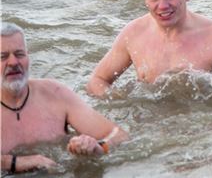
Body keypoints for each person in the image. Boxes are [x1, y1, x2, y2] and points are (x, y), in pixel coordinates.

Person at [1, 22, 129, 174]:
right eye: (2, 57)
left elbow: (120, 135)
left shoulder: (56, 94)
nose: (14, 62)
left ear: (28, 57)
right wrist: (14, 162)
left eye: (19, 54)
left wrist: (99, 146)